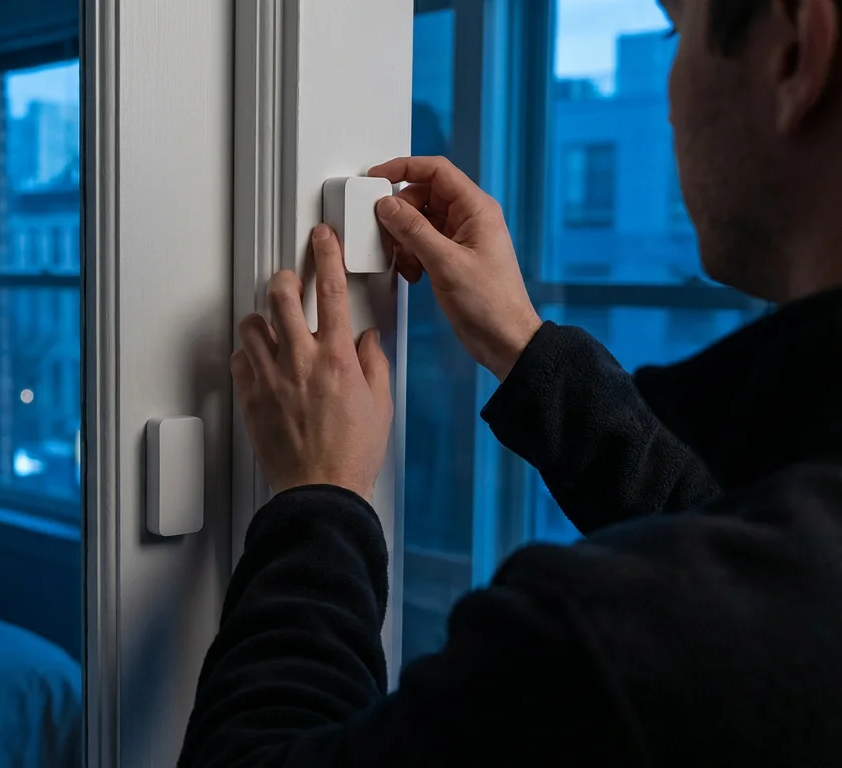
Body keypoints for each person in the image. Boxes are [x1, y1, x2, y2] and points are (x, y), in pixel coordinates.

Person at [179, 0, 842, 765]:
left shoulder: (604, 646)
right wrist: (525, 348)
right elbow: (736, 538)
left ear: (796, 50)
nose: (669, 91)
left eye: (678, 29)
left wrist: (318, 498)